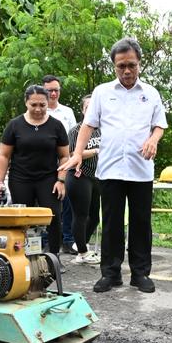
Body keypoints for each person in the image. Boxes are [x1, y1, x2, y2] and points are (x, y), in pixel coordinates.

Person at [62, 38, 167, 294]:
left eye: (131, 65)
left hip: (140, 169)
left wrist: (153, 140)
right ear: (114, 66)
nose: (127, 71)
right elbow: (88, 125)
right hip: (110, 169)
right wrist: (77, 154)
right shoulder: (102, 92)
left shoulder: (151, 93)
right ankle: (110, 274)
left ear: (139, 63)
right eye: (121, 66)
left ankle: (140, 274)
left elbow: (159, 125)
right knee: (111, 223)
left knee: (141, 223)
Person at [0, 85, 70, 254]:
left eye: (42, 105)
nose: (38, 109)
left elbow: (64, 156)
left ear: (48, 103)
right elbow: (4, 156)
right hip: (20, 179)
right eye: (33, 105)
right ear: (26, 103)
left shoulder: (56, 126)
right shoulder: (14, 125)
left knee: (53, 216)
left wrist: (61, 180)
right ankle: (21, 255)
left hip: (48, 179)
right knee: (22, 218)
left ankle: (53, 256)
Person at [42, 75, 79, 254]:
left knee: (68, 203)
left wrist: (75, 161)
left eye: (56, 90)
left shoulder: (67, 111)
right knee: (46, 203)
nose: (54, 94)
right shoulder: (39, 110)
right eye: (50, 90)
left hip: (66, 162)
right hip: (45, 164)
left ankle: (68, 240)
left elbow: (74, 138)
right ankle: (45, 241)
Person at [66, 95, 102, 264]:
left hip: (97, 176)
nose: (91, 110)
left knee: (95, 217)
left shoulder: (102, 129)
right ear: (82, 110)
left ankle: (80, 244)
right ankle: (82, 252)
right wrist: (96, 150)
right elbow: (73, 154)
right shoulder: (76, 130)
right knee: (81, 215)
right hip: (79, 175)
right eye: (87, 107)